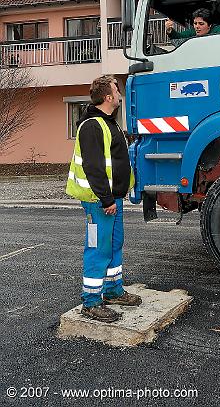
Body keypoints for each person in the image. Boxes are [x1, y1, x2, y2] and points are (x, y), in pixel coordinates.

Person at [66, 75, 142, 323]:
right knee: (98, 248)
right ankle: (91, 302)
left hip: (111, 200)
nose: (120, 94)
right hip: (99, 202)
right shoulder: (92, 126)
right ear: (108, 97)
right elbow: (94, 167)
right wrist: (107, 199)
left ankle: (112, 291)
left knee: (113, 244)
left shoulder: (109, 123)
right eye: (116, 91)